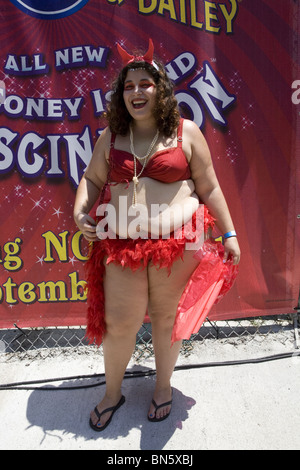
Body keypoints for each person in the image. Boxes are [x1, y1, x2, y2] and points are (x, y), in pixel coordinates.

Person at [73, 39, 240, 431]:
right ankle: (113, 393)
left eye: (145, 84)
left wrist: (230, 233)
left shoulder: (187, 133)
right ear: (121, 95)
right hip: (122, 246)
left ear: (160, 90)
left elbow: (210, 188)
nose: (136, 92)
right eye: (128, 87)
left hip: (177, 246)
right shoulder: (110, 138)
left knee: (167, 319)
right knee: (120, 324)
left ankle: (162, 388)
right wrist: (80, 210)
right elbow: (91, 178)